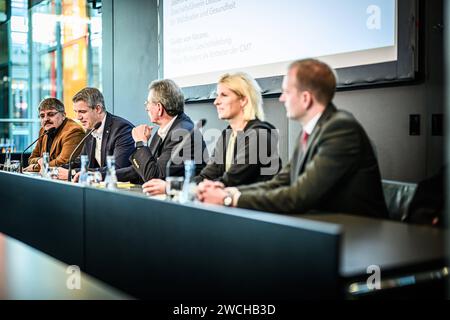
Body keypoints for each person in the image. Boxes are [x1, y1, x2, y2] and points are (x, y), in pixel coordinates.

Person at [197, 59, 389, 218]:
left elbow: (299, 195)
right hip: (327, 229)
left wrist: (228, 199)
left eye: (287, 92)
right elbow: (280, 182)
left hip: (361, 235)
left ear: (305, 98)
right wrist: (229, 192)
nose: (281, 98)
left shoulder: (341, 129)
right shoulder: (312, 131)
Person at [142, 72, 281, 196]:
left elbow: (231, 180)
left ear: (243, 100)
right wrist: (171, 186)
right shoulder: (228, 135)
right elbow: (207, 175)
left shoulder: (259, 134)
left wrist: (172, 187)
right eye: (217, 96)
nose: (216, 102)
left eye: (224, 95)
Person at [115, 79, 207, 183]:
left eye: (148, 103)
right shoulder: (165, 129)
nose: (146, 108)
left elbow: (154, 177)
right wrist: (104, 175)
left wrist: (140, 144)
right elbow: (141, 169)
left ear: (159, 108)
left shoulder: (182, 132)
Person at [57, 87, 135, 181]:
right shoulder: (91, 128)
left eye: (82, 112)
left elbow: (116, 168)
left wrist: (72, 173)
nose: (78, 117)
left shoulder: (122, 129)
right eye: (76, 112)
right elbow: (81, 161)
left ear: (98, 109)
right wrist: (56, 170)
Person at [24, 98, 85, 172]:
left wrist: (35, 167)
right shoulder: (43, 130)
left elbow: (63, 163)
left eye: (51, 114)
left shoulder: (73, 131)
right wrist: (40, 160)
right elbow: (31, 158)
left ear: (63, 115)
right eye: (42, 116)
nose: (46, 119)